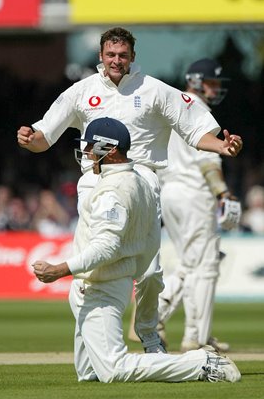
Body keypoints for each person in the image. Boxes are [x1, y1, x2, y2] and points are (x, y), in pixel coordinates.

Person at [17, 27, 243, 353]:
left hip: (144, 182)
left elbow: (195, 129)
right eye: (110, 54)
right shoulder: (81, 91)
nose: (116, 61)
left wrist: (222, 147)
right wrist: (30, 139)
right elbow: (44, 136)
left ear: (133, 57)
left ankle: (150, 335)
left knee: (150, 273)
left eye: (122, 55)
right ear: (100, 55)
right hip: (96, 182)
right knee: (90, 268)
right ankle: (88, 351)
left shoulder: (154, 90)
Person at [32, 117, 241, 383]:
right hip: (103, 283)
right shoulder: (143, 180)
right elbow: (150, 241)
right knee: (88, 373)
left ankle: (200, 364)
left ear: (111, 150)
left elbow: (107, 247)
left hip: (101, 287)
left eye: (91, 147)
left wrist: (60, 269)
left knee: (114, 369)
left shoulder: (114, 191)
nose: (85, 153)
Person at [156, 58, 242, 352]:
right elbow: (208, 163)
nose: (216, 89)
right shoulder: (199, 110)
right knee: (205, 266)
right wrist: (224, 194)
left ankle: (158, 316)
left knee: (190, 263)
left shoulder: (171, 108)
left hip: (169, 192)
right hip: (194, 194)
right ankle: (196, 338)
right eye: (212, 82)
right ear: (194, 81)